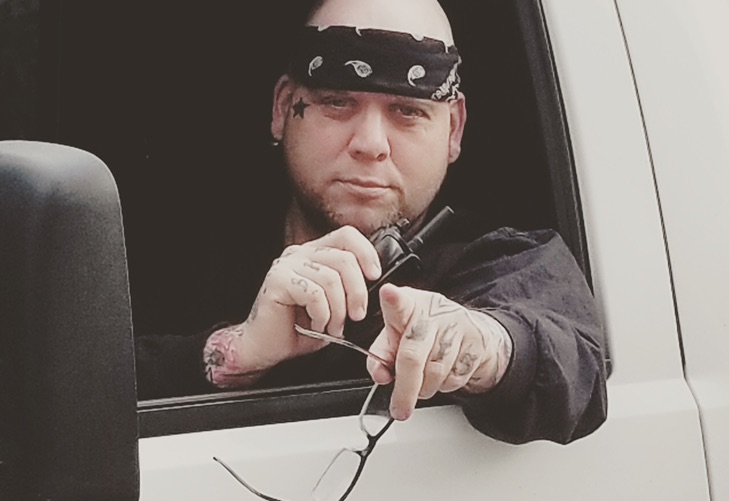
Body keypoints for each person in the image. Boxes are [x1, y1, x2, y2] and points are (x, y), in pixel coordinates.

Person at [136, 0, 608, 445]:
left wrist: (479, 346)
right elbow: (99, 380)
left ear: (454, 129)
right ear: (282, 108)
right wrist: (239, 352)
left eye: (408, 111)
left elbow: (572, 365)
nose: (370, 144)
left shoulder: (499, 261)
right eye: (337, 102)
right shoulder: (173, 251)